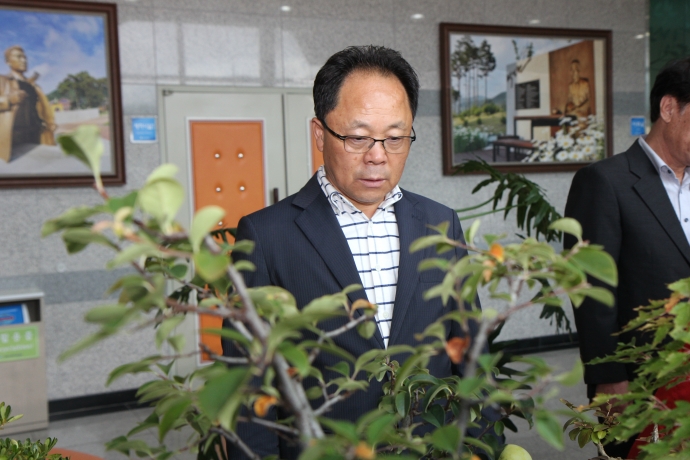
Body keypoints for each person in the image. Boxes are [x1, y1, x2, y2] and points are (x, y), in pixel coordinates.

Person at [223, 45, 483, 459]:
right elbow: (248, 383)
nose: (377, 156)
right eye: (358, 138)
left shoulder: (440, 223)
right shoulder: (266, 235)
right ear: (319, 133)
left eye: (395, 138)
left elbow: (470, 354)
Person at [564, 57, 690, 457]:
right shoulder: (604, 181)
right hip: (639, 380)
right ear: (669, 108)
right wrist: (608, 376)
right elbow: (589, 289)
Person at [0, 45, 56, 162]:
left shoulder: (34, 86)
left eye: (25, 57)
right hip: (11, 144)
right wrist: (8, 100)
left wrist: (50, 123)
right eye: (18, 57)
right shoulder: (2, 81)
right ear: (7, 61)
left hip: (35, 139)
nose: (24, 60)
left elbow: (43, 109)